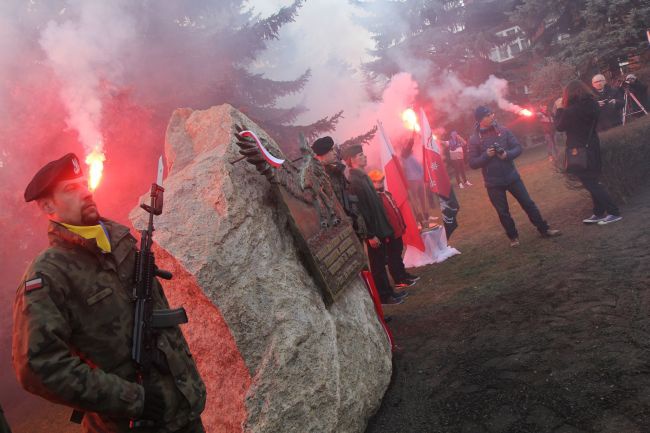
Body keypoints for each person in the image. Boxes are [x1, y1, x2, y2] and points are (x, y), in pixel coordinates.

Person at [13, 153, 206, 433]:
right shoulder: (49, 275)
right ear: (47, 206)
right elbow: (38, 366)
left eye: (83, 184)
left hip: (184, 412)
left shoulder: (122, 244)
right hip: (129, 425)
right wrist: (132, 400)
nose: (86, 191)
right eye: (71, 189)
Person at [468, 106, 561, 247]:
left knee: (528, 204)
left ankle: (544, 229)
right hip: (493, 183)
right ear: (481, 119)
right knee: (503, 212)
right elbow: (473, 163)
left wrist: (507, 155)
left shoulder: (503, 130)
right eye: (489, 115)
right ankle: (513, 238)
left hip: (512, 177)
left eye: (492, 113)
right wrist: (486, 155)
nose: (493, 116)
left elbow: (518, 147)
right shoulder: (474, 139)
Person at [341, 144, 408, 305]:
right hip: (373, 232)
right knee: (377, 265)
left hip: (379, 228)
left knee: (381, 261)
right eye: (360, 155)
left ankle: (389, 292)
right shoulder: (355, 181)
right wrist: (370, 235)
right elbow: (362, 211)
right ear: (351, 160)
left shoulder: (363, 177)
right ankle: (384, 296)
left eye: (363, 154)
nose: (364, 157)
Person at [554, 80, 622, 225]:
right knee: (593, 180)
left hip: (579, 150)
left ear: (569, 94)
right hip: (592, 145)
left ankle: (613, 212)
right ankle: (598, 213)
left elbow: (559, 126)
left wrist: (559, 108)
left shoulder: (571, 110)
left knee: (591, 183)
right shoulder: (592, 104)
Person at [367, 169, 420, 289]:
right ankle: (398, 279)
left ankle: (403, 274)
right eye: (377, 181)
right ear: (371, 183)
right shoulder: (376, 199)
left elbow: (395, 211)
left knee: (398, 254)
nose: (380, 183)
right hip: (389, 233)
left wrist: (402, 225)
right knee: (393, 257)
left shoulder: (387, 194)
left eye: (381, 180)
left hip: (397, 230)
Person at [311, 136, 366, 238]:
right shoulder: (321, 178)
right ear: (321, 155)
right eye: (331, 150)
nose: (335, 153)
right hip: (345, 233)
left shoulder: (335, 172)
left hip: (355, 227)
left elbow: (349, 199)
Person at [400, 137, 428, 226]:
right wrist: (411, 140)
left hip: (419, 178)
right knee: (415, 199)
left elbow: (418, 165)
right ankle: (419, 218)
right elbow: (409, 146)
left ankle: (426, 216)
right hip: (412, 180)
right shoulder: (404, 154)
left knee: (423, 198)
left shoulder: (411, 154)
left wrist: (423, 175)